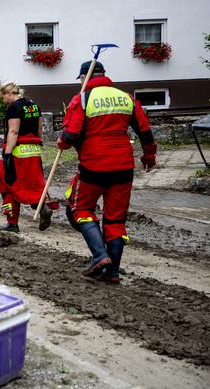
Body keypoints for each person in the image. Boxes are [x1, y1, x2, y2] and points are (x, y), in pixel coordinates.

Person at [58, 61, 157, 283]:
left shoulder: (82, 99)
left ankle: (100, 256)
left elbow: (70, 136)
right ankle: (112, 273)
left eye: (80, 79)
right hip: (123, 167)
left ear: (85, 77)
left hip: (94, 166)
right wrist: (149, 156)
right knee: (115, 220)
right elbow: (145, 132)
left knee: (80, 208)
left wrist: (61, 142)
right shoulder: (127, 98)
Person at [0, 81, 54, 233]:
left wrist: (7, 154)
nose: (4, 101)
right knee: (32, 183)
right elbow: (40, 127)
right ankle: (42, 207)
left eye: (3, 97)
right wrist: (38, 144)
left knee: (8, 185)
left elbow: (13, 132)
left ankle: (12, 223)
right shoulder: (33, 105)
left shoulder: (14, 108)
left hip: (17, 152)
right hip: (33, 152)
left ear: (9, 94)